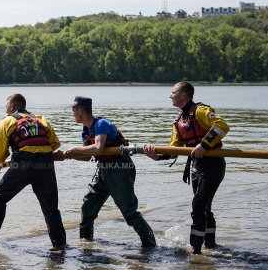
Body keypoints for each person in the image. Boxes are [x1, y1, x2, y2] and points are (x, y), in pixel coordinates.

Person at [144, 81, 229, 254]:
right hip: (197, 167)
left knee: (198, 205)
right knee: (204, 207)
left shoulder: (201, 111)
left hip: (213, 165)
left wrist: (204, 145)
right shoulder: (178, 120)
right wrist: (157, 156)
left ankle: (195, 250)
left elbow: (222, 126)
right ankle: (210, 245)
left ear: (183, 95)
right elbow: (174, 149)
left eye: (173, 92)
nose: (170, 95)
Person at [64, 96, 157, 248]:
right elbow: (88, 157)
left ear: (80, 111)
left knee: (129, 212)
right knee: (88, 206)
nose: (73, 114)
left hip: (119, 168)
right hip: (103, 169)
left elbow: (98, 148)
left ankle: (150, 245)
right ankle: (86, 244)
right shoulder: (86, 130)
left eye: (74, 111)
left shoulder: (101, 124)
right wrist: (70, 156)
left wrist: (75, 149)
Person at [0, 93, 67, 250]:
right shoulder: (41, 119)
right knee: (50, 207)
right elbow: (54, 144)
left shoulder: (8, 121)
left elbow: (0, 151)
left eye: (6, 107)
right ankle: (60, 245)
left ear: (12, 107)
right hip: (46, 164)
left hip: (24, 163)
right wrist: (38, 150)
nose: (6, 110)